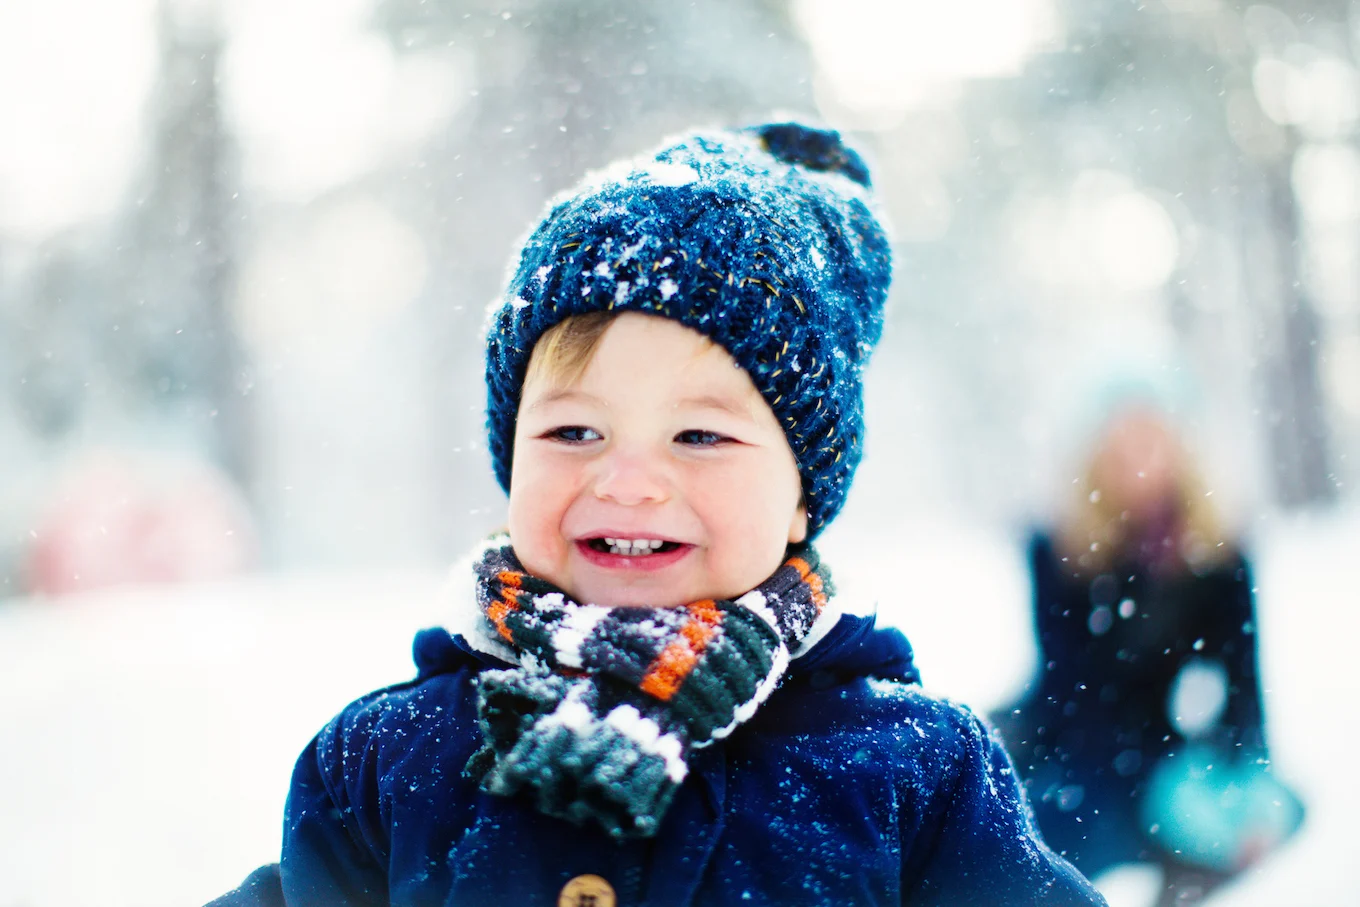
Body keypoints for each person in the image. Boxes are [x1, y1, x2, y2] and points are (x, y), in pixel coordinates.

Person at [210, 122, 1104, 907]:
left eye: (699, 436)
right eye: (574, 428)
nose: (629, 481)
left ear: (801, 496)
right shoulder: (392, 763)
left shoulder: (910, 768)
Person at [991, 400, 1303, 906]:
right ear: (1093, 456)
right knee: (1001, 822)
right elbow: (1064, 683)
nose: (1138, 461)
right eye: (1119, 446)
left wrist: (1242, 779)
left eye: (1152, 440)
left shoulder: (1219, 555)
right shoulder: (1059, 549)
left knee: (1275, 812)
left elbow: (1244, 691)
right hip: (1076, 741)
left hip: (1160, 749)